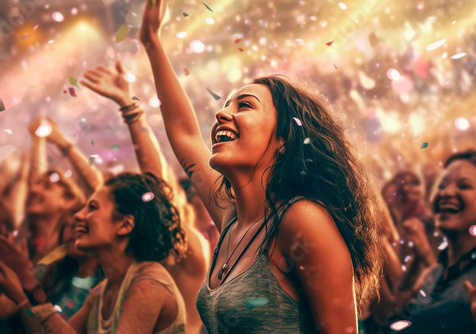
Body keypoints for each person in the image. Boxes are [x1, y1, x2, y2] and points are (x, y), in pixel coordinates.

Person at [139, 1, 384, 332]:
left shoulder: (302, 219)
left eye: (244, 106)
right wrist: (152, 42)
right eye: (225, 105)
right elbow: (184, 134)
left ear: (284, 138)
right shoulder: (233, 220)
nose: (222, 114)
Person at [81, 60, 209, 334]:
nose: (80, 216)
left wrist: (130, 109)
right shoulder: (122, 273)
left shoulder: (187, 250)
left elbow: (157, 186)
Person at [0, 172, 187, 334]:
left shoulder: (148, 285)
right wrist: (26, 283)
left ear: (125, 224)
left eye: (92, 208)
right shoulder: (103, 290)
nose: (78, 215)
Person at [375, 150, 476, 333]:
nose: (447, 192)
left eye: (463, 185)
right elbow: (390, 321)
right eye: (443, 185)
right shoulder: (434, 274)